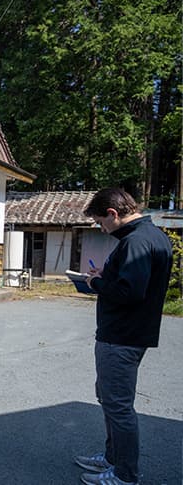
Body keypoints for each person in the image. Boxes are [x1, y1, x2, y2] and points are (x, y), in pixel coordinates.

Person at [74, 188, 172, 485]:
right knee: (110, 398)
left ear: (113, 214)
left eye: (101, 222)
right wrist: (110, 276)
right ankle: (113, 457)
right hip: (128, 333)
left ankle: (125, 474)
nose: (101, 229)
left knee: (117, 404)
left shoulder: (137, 241)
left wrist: (97, 282)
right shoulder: (150, 236)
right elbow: (134, 283)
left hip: (122, 336)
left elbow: (130, 293)